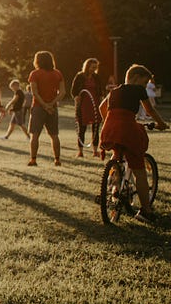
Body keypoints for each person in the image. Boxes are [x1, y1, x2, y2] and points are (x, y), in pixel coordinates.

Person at [100, 64, 168, 223]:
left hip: (110, 129)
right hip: (127, 130)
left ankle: (115, 187)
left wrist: (109, 122)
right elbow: (150, 110)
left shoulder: (114, 90)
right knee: (139, 170)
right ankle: (145, 211)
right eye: (144, 83)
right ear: (136, 78)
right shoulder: (138, 90)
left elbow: (102, 107)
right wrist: (161, 123)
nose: (145, 86)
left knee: (116, 156)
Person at [27, 50, 65, 167]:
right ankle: (57, 160)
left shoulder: (34, 74)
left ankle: (33, 160)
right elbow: (62, 92)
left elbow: (35, 92)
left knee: (35, 135)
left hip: (38, 107)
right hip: (53, 108)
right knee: (54, 135)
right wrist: (51, 104)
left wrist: (44, 105)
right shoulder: (58, 73)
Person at [70, 58, 102, 158]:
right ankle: (80, 151)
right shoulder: (80, 76)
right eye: (92, 67)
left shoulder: (96, 77)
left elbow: (100, 90)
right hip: (83, 105)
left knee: (95, 129)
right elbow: (73, 90)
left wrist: (101, 99)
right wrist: (76, 97)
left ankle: (95, 151)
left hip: (95, 104)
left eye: (95, 67)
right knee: (82, 129)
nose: (94, 69)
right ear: (87, 66)